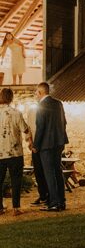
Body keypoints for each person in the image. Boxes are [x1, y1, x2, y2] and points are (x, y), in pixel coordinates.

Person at [33, 82, 69, 212]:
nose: (35, 95)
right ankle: (61, 201)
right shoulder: (58, 104)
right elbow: (64, 122)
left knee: (49, 173)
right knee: (58, 171)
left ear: (40, 92)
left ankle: (54, 203)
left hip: (46, 145)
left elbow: (40, 127)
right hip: (59, 143)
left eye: (36, 92)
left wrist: (36, 145)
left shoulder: (41, 106)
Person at [0, 87, 33, 216]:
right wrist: (29, 141)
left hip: (0, 153)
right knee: (16, 180)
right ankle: (16, 208)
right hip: (15, 153)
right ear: (11, 98)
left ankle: (0, 208)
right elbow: (25, 129)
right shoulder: (16, 113)